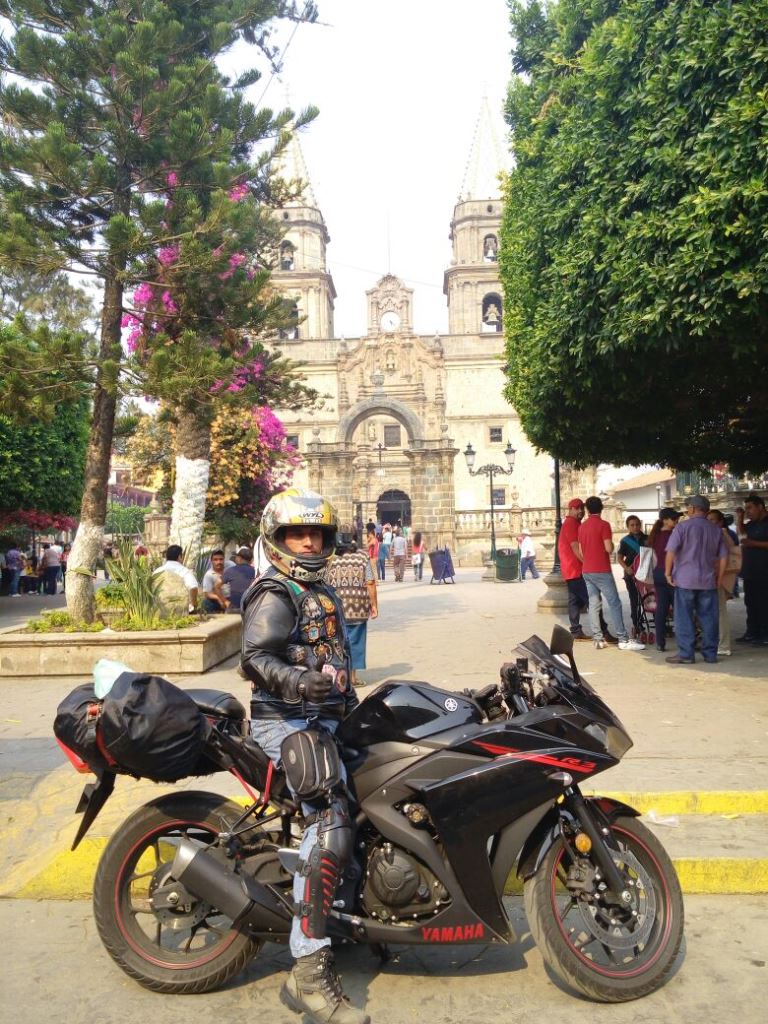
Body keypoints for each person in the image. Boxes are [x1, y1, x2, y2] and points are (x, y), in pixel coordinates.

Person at [240, 489, 367, 1024]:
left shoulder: (324, 591)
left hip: (325, 717)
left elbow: (336, 661)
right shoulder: (275, 591)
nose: (309, 541)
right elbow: (254, 658)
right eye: (298, 533)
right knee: (330, 820)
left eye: (316, 533)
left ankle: (348, 914)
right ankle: (308, 970)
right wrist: (297, 681)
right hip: (285, 721)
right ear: (278, 539)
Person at [664, 494, 727, 665]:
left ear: (692, 508)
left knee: (684, 617)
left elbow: (671, 552)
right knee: (709, 618)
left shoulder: (682, 528)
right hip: (708, 581)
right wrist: (720, 578)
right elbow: (723, 558)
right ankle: (710, 654)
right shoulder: (716, 530)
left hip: (685, 580)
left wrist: (668, 573)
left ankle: (686, 654)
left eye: (688, 507)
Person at [576, 496, 645, 651]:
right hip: (601, 569)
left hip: (587, 570)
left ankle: (598, 639)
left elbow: (580, 550)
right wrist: (612, 545)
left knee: (594, 604)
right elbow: (608, 548)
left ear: (587, 509)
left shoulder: (582, 527)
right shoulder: (604, 525)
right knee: (614, 603)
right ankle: (622, 638)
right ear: (601, 508)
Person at [325, 540, 378, 687]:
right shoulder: (363, 558)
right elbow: (370, 582)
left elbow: (324, 582)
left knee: (338, 642)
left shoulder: (331, 561)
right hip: (358, 608)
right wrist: (374, 605)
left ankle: (339, 676)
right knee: (355, 643)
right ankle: (352, 679)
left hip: (336, 609)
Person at [735, 493, 768, 645]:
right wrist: (740, 518)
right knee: (751, 603)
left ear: (760, 507)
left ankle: (764, 634)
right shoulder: (751, 524)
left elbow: (751, 541)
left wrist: (753, 543)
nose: (748, 511)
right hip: (751, 571)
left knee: (764, 603)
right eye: (745, 508)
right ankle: (752, 632)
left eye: (750, 508)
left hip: (764, 572)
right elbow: (742, 535)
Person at [646, 508, 681, 652]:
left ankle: (660, 642)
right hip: (670, 573)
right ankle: (683, 641)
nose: (676, 521)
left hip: (658, 573)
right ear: (665, 520)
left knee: (661, 608)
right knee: (679, 609)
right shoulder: (672, 536)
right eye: (674, 518)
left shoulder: (655, 535)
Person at [707, 509, 741, 656]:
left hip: (719, 577)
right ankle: (718, 642)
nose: (709, 522)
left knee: (720, 611)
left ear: (720, 521)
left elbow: (727, 555)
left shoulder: (723, 534)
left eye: (712, 520)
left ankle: (724, 645)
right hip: (714, 576)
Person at [616, 515, 648, 638]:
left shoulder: (648, 539)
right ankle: (637, 624)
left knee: (648, 599)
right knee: (634, 600)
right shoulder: (625, 541)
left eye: (637, 524)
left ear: (640, 524)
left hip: (646, 575)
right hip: (631, 575)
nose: (635, 527)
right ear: (628, 527)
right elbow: (619, 558)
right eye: (632, 525)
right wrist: (627, 568)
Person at [152, 544, 199, 613]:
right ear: (180, 556)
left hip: (159, 611)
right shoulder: (185, 571)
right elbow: (193, 587)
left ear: (166, 557)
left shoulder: (157, 571)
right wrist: (193, 605)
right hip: (180, 611)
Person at [222, 546, 255, 613]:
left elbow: (216, 586)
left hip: (233, 608)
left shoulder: (230, 571)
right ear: (251, 560)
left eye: (236, 556)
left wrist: (225, 601)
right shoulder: (255, 572)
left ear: (239, 558)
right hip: (250, 609)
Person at [201, 549, 228, 613]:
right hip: (217, 600)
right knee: (206, 602)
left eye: (221, 559)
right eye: (215, 560)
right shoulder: (209, 575)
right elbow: (208, 594)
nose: (218, 562)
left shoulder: (229, 570)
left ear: (224, 560)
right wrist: (220, 599)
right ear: (211, 561)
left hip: (231, 598)